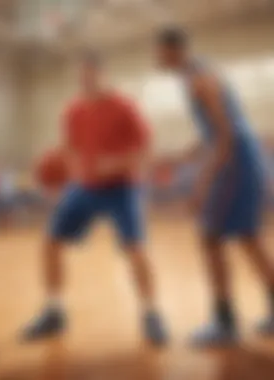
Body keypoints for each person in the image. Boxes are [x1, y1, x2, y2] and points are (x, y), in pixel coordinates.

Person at [21, 51, 168, 345]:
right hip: (85, 186)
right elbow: (69, 148)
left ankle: (151, 313)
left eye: (89, 75)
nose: (84, 81)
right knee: (50, 242)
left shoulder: (125, 107)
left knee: (135, 249)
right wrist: (59, 172)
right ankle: (54, 312)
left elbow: (147, 152)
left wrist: (114, 163)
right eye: (80, 77)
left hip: (122, 187)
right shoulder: (73, 110)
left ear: (103, 74)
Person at [155, 27, 274, 347]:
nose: (156, 58)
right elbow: (214, 133)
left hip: (235, 159)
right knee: (249, 238)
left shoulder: (199, 80)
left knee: (210, 238)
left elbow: (224, 137)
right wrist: (183, 157)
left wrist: (201, 187)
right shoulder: (199, 73)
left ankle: (225, 323)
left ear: (172, 50)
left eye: (159, 52)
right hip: (242, 155)